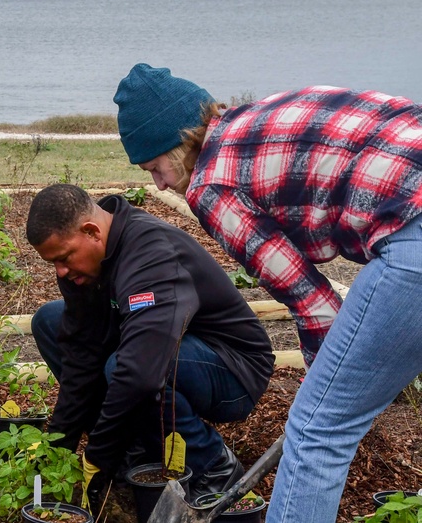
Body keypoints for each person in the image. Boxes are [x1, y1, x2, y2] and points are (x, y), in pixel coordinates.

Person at [113, 63, 422, 523]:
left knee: (317, 430)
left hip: (413, 234)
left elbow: (317, 309)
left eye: (154, 166)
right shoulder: (255, 120)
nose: (157, 184)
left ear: (178, 139)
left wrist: (319, 394)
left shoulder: (212, 185)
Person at [26, 183, 275, 516]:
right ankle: (136, 448)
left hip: (232, 368)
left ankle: (213, 466)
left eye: (64, 258)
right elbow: (81, 357)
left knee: (126, 367)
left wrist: (98, 455)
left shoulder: (150, 255)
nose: (60, 271)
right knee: (50, 321)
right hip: (171, 351)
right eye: (53, 263)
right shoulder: (84, 268)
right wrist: (57, 447)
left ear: (91, 232)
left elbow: (140, 371)